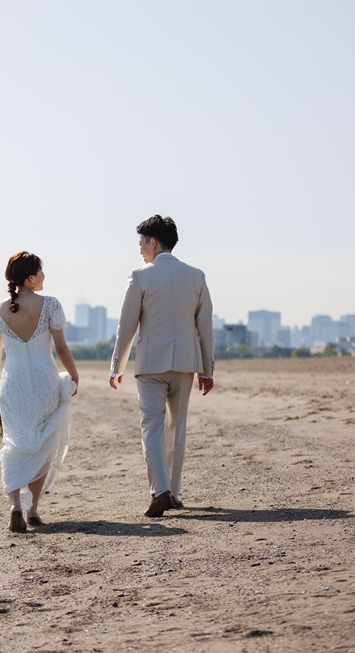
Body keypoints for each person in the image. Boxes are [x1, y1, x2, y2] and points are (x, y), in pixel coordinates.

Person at [109, 215, 214, 518]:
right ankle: (175, 493)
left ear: (153, 242)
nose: (140, 250)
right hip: (186, 363)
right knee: (176, 428)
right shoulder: (196, 275)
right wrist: (208, 370)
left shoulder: (140, 276)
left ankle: (160, 492)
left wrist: (117, 365)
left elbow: (126, 325)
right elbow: (204, 327)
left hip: (151, 364)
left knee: (151, 427)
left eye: (141, 243)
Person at [0, 251, 80, 532]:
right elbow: (61, 348)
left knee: (16, 443)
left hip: (13, 383)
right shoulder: (50, 304)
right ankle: (33, 509)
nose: (43, 276)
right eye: (40, 272)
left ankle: (15, 505)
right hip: (45, 382)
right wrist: (74, 374)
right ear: (30, 278)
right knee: (43, 443)